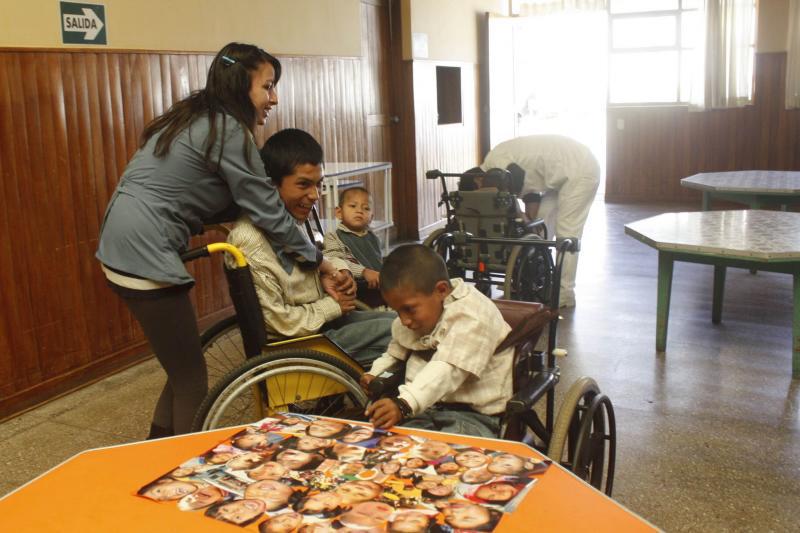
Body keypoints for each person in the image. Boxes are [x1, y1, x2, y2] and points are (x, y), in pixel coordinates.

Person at [96, 43, 348, 438]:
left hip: (120, 240)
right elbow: (266, 209)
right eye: (267, 87)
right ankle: (185, 462)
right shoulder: (227, 130)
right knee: (192, 381)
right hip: (145, 251)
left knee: (181, 370)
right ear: (239, 85)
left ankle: (155, 449)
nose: (274, 98)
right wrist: (318, 260)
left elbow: (199, 191)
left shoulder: (192, 115)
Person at [227, 128, 395, 367]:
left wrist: (335, 272)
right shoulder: (249, 240)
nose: (315, 195)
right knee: (404, 332)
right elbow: (279, 323)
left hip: (322, 324)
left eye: (319, 184)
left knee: (400, 319)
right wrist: (332, 305)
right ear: (272, 184)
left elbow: (317, 256)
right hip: (301, 345)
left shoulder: (290, 222)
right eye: (303, 184)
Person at [361, 245, 514, 438]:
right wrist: (375, 373)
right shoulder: (418, 314)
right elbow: (395, 353)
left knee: (449, 453)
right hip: (424, 410)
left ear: (441, 290)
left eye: (409, 309)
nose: (404, 320)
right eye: (397, 311)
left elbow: (447, 369)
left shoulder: (474, 315)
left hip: (472, 416)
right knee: (390, 445)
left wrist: (404, 404)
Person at [481, 134, 600, 308]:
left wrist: (521, 216)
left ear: (478, 180)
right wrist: (528, 221)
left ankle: (565, 293)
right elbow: (531, 191)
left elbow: (511, 201)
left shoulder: (497, 165)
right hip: (560, 172)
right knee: (541, 227)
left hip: (580, 170)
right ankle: (532, 277)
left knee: (567, 233)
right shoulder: (496, 164)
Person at [323, 187, 384, 305]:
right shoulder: (333, 237)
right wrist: (364, 272)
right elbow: (335, 262)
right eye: (352, 206)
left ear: (371, 217)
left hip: (379, 288)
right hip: (354, 292)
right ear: (339, 212)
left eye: (366, 208)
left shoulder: (373, 237)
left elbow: (378, 262)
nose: (359, 211)